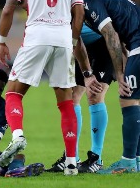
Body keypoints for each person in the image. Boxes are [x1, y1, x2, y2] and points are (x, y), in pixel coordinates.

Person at [0, 0, 102, 176]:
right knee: (66, 102)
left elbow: (8, 9)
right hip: (63, 38)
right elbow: (79, 12)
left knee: (13, 93)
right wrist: (72, 41)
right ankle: (71, 162)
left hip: (37, 35)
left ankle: (17, 137)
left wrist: (1, 41)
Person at [83, 0, 140, 174]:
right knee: (138, 100)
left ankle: (127, 162)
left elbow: (111, 35)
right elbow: (120, 37)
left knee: (127, 97)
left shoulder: (88, 1)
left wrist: (120, 73)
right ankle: (135, 160)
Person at [46, 24, 115, 173]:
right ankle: (72, 156)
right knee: (71, 96)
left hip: (101, 43)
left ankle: (96, 157)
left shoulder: (80, 4)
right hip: (78, 45)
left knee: (95, 95)